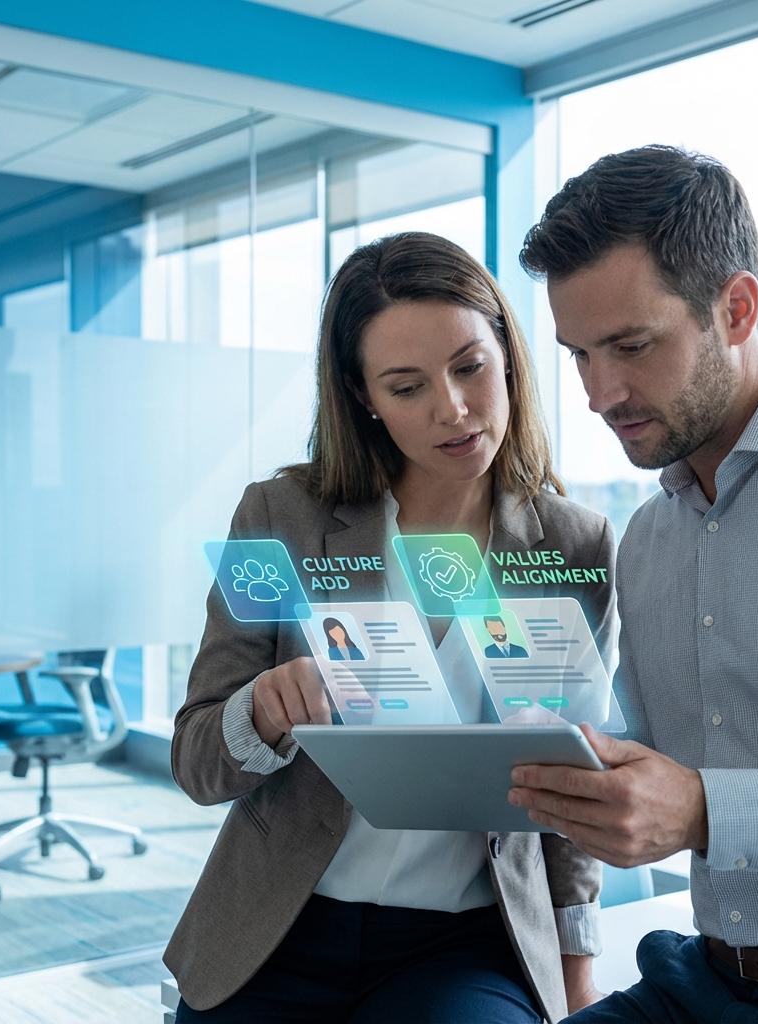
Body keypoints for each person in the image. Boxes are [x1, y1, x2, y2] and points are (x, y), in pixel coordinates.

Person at [166, 232, 619, 1023]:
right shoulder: (277, 518)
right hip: (278, 928)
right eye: (407, 386)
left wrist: (578, 971)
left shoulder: (575, 545)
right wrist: (261, 712)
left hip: (467, 944)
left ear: (508, 354)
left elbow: (576, 790)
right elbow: (195, 759)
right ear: (363, 395)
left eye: (470, 367)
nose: (453, 409)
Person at [508, 145, 758, 1023]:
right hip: (703, 980)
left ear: (736, 307)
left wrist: (708, 812)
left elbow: (693, 804)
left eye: (630, 346)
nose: (599, 393)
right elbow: (645, 749)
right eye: (578, 355)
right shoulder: (649, 536)